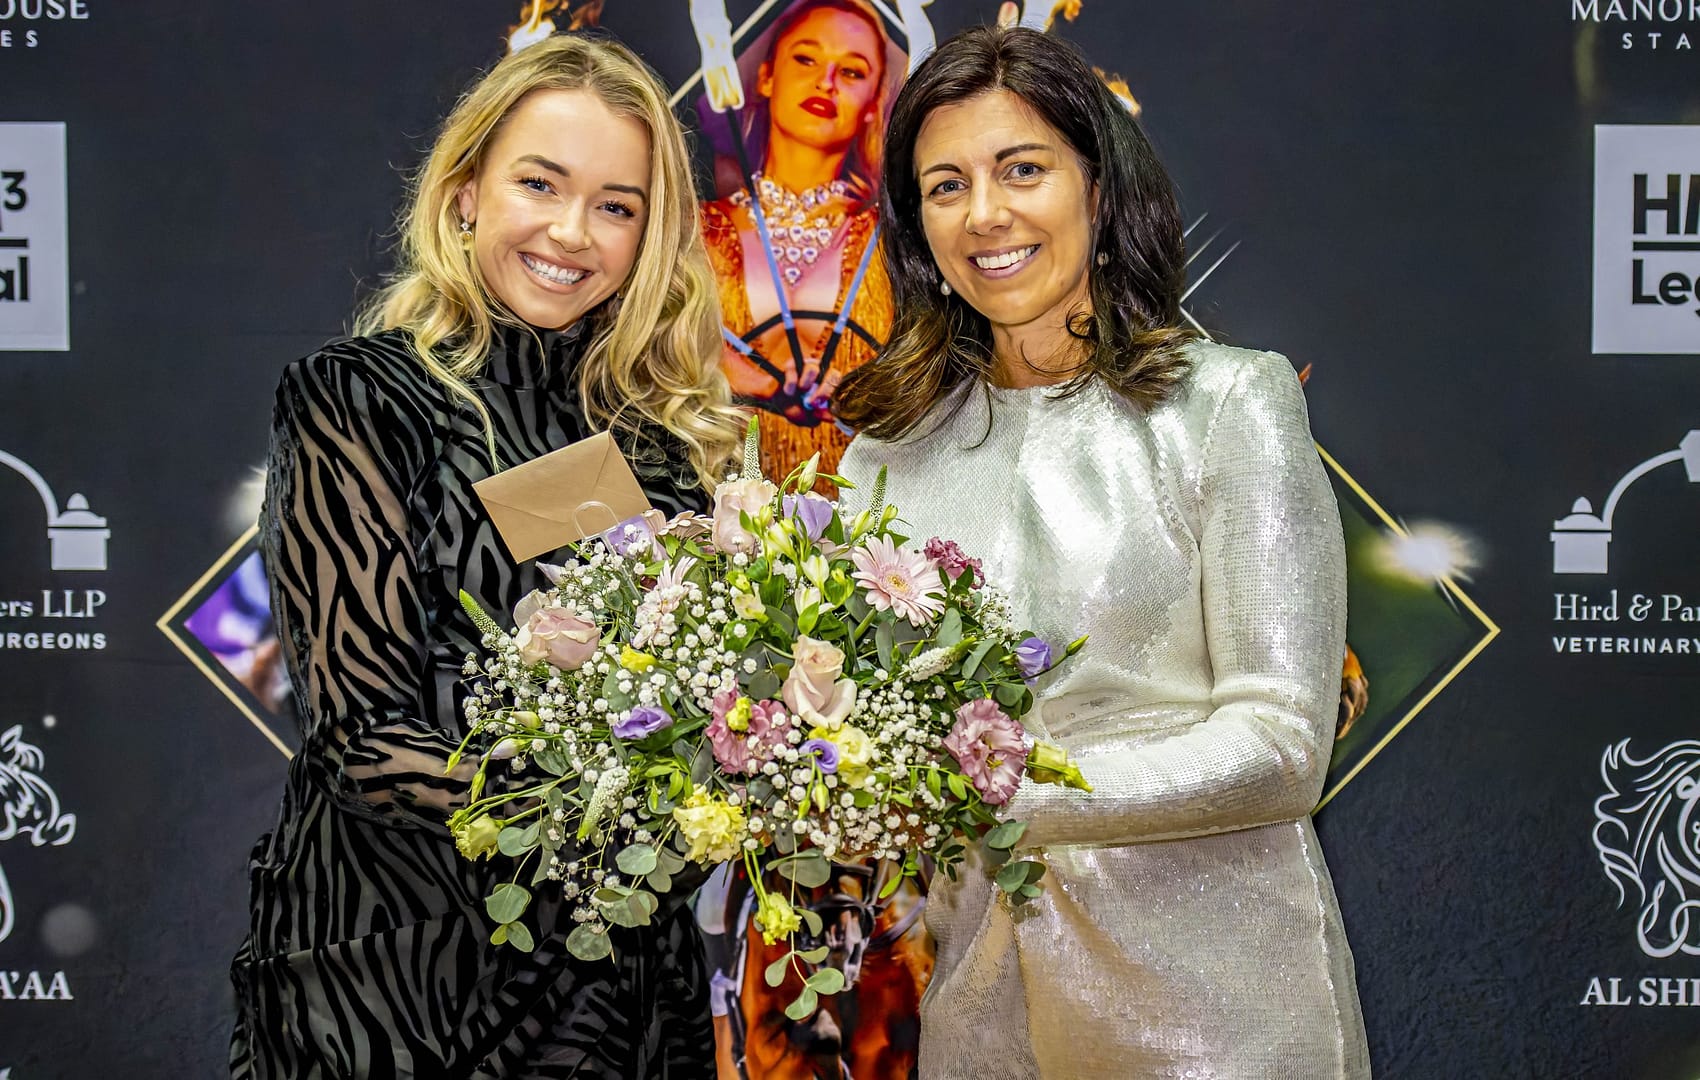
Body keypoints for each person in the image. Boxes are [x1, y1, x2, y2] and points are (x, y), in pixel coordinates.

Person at [835, 26, 1372, 1078]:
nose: (984, 214)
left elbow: (1281, 745)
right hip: (983, 1013)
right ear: (915, 226)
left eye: (1020, 170)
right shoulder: (881, 461)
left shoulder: (1227, 403)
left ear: (1097, 186)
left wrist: (1002, 796)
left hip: (1217, 1018)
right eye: (945, 186)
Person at [228, 34, 744, 1078]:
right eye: (538, 184)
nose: (571, 232)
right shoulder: (360, 398)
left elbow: (695, 720)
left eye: (616, 205)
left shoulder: (659, 443)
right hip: (401, 981)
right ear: (464, 193)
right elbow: (364, 735)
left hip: (620, 991)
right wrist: (601, 817)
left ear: (649, 236)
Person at [700, 0, 900, 483]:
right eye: (806, 59)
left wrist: (874, 396)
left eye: (851, 72)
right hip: (707, 511)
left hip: (869, 517)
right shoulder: (689, 232)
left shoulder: (899, 243)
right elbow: (645, 360)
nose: (825, 82)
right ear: (767, 76)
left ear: (873, 104)